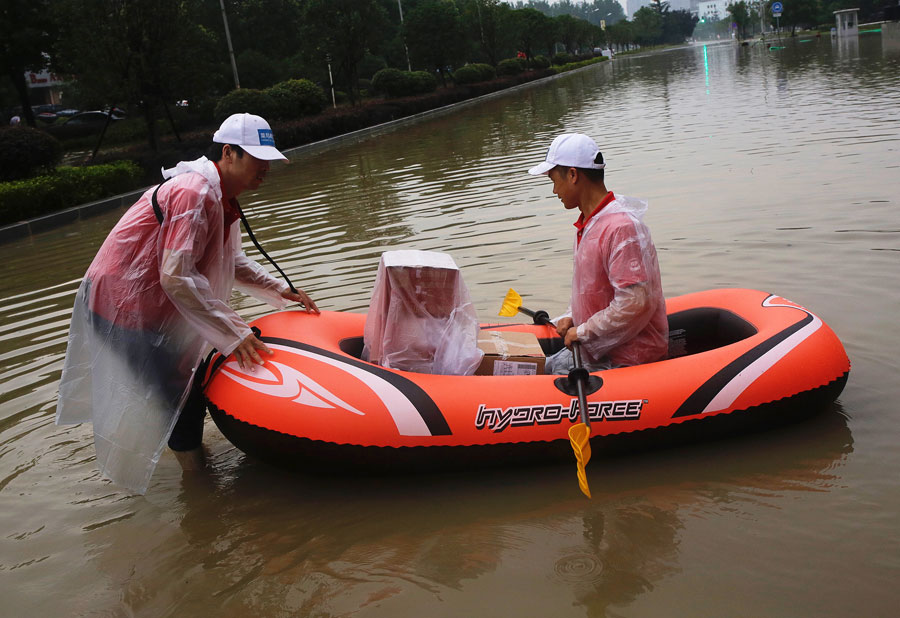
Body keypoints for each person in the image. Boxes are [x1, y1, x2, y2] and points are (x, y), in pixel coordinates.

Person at [56, 113, 319, 494]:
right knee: (179, 394)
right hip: (122, 305)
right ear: (229, 154)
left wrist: (282, 290)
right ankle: (198, 485)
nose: (264, 169)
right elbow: (176, 275)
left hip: (157, 303)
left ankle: (194, 467)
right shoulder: (194, 193)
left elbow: (232, 262)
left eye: (268, 161)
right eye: (257, 159)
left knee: (187, 384)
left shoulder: (221, 198)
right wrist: (233, 331)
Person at [527, 133, 668, 374]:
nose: (553, 191)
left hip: (626, 358)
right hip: (597, 351)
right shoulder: (589, 224)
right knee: (533, 373)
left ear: (572, 175)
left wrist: (583, 331)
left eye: (554, 180)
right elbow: (596, 290)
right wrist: (573, 316)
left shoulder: (621, 227)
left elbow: (634, 302)